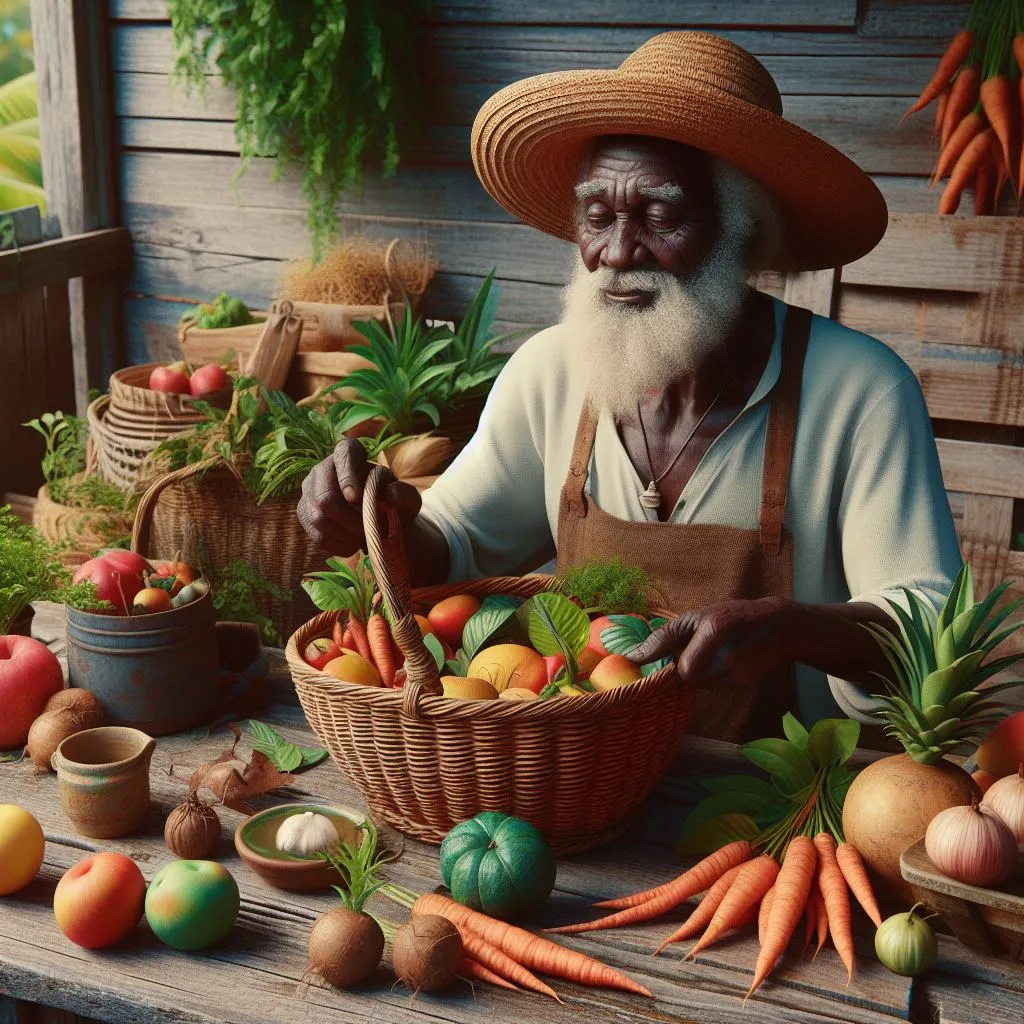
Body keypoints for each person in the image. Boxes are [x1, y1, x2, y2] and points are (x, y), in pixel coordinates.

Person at [297, 32, 962, 742]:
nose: (616, 254)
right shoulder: (550, 372)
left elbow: (934, 627)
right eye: (598, 215)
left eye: (661, 216)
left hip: (787, 813)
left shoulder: (860, 391)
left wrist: (792, 628)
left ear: (742, 231)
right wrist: (383, 516)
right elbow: (454, 546)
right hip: (587, 786)